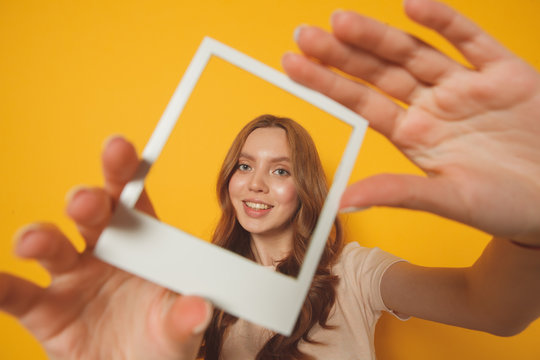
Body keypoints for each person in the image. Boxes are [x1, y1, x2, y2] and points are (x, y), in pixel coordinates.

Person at [1, 0, 540, 359]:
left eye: (280, 170)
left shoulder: (352, 274)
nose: (256, 184)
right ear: (228, 179)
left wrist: (532, 223)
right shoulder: (184, 284)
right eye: (244, 165)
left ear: (305, 187)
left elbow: (489, 306)